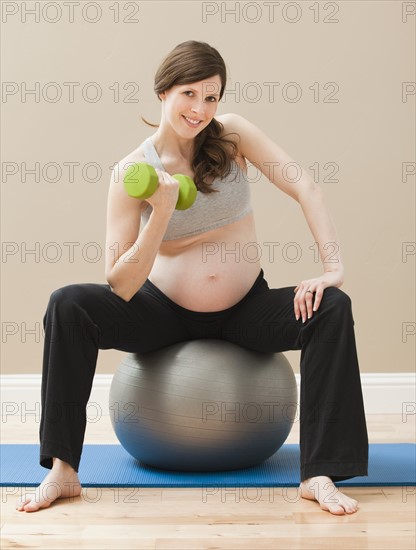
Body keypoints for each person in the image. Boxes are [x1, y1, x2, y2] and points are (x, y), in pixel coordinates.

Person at [16, 40, 368, 515]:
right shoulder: (130, 173)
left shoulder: (234, 136)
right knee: (67, 303)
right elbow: (120, 283)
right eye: (189, 93)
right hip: (163, 314)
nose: (200, 108)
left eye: (211, 96)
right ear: (163, 92)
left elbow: (304, 184)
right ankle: (62, 470)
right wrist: (159, 213)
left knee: (331, 308)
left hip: (246, 308)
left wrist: (333, 269)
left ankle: (319, 473)